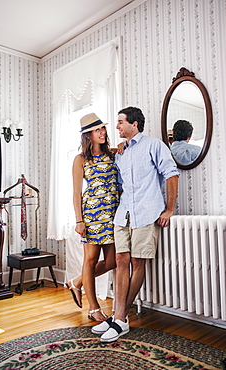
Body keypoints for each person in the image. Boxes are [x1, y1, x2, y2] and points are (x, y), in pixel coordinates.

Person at [92, 106, 179, 342]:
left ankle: (120, 318)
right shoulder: (120, 152)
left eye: (120, 122)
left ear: (134, 124)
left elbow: (171, 173)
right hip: (124, 214)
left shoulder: (154, 145)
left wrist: (169, 209)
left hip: (147, 211)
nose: (117, 126)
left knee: (136, 261)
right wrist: (116, 148)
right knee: (120, 260)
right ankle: (119, 317)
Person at [66, 113, 119, 323]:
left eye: (103, 128)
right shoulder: (80, 159)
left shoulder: (113, 154)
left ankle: (77, 282)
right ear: (88, 135)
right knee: (90, 260)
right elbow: (76, 192)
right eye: (98, 130)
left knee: (113, 260)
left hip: (113, 215)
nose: (103, 132)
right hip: (92, 216)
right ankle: (93, 308)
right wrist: (79, 220)